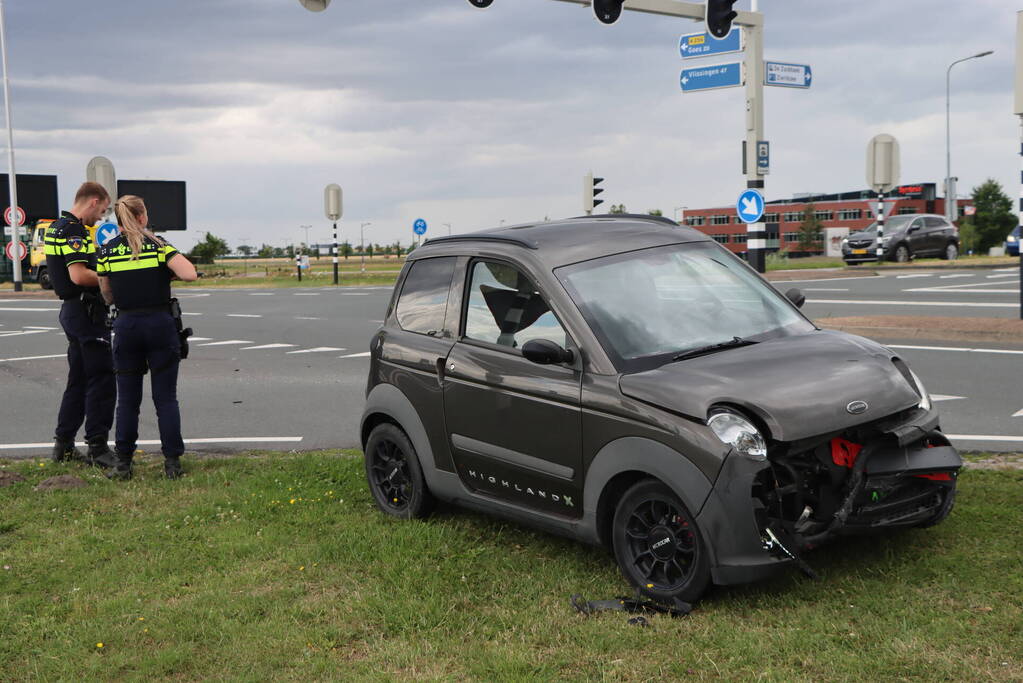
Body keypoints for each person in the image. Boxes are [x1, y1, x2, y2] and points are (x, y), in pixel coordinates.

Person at [96, 195, 197, 479]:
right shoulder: (158, 246)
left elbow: (107, 294)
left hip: (127, 326)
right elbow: (190, 274)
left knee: (127, 400)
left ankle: (124, 463)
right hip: (160, 325)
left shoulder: (107, 250)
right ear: (142, 217)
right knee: (166, 398)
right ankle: (172, 463)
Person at [45, 181, 117, 468]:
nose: (101, 217)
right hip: (85, 311)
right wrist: (113, 277)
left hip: (74, 311)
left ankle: (63, 444)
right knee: (102, 378)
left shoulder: (57, 226)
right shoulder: (73, 229)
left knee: (79, 379)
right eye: (101, 210)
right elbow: (77, 275)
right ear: (92, 201)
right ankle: (98, 447)